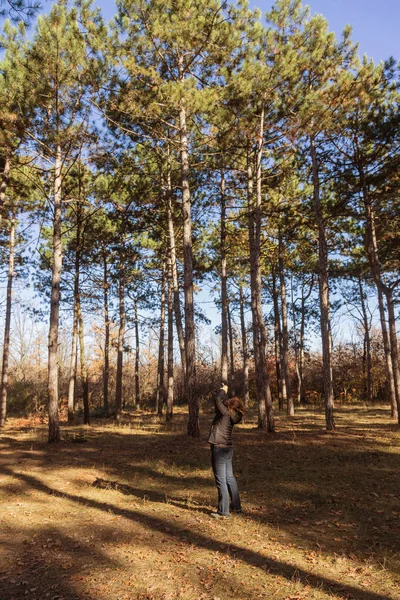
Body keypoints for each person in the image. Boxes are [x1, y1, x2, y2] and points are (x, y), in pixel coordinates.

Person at [208, 382, 245, 520]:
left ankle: (223, 511)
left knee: (221, 480)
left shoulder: (225, 414)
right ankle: (236, 506)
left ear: (230, 406)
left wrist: (223, 390)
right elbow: (222, 403)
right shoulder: (234, 415)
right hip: (228, 448)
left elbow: (217, 399)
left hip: (219, 448)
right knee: (229, 477)